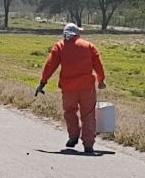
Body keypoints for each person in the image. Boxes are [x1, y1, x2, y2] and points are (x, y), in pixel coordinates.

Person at [35, 23, 106, 154]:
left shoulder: (60, 46)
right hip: (87, 88)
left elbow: (50, 65)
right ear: (77, 34)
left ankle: (73, 136)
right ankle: (88, 145)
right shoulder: (88, 46)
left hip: (68, 88)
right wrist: (101, 81)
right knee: (88, 115)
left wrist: (42, 83)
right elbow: (98, 65)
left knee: (69, 112)